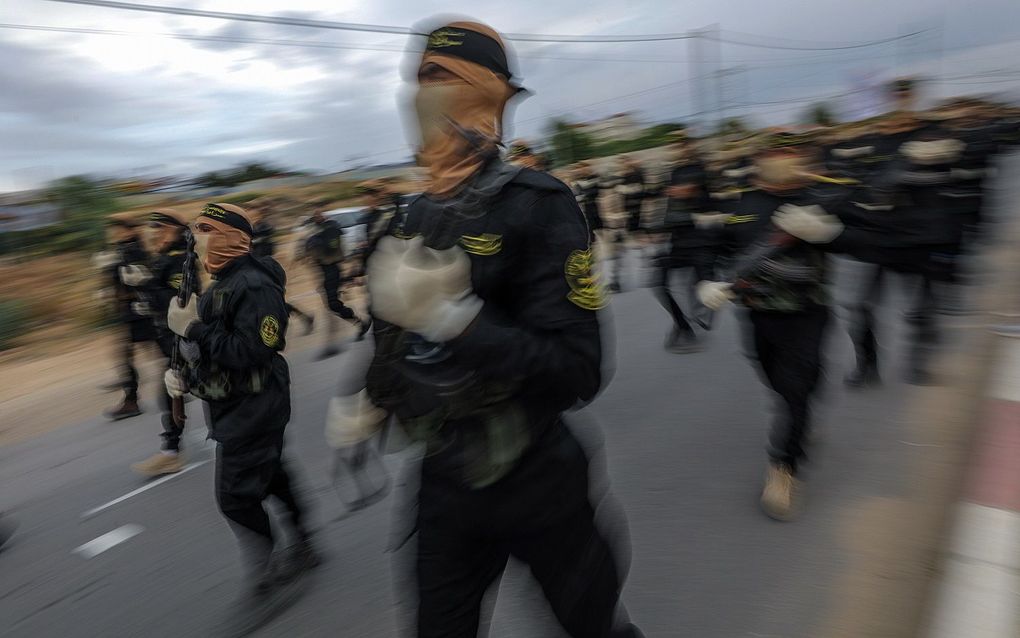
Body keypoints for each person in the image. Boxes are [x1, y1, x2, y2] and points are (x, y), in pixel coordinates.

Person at [349, 20, 642, 637]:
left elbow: (579, 371)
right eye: (418, 78)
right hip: (445, 481)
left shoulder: (540, 204)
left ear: (488, 97)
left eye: (440, 77)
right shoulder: (420, 210)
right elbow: (395, 330)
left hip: (537, 477)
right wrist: (370, 398)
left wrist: (456, 321)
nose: (422, 94)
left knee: (593, 626)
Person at [164, 202, 319, 635]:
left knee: (234, 497)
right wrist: (184, 375)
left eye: (206, 231)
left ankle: (268, 570)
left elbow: (254, 350)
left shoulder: (252, 285)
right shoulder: (222, 282)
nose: (197, 240)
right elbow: (216, 351)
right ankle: (305, 544)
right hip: (235, 402)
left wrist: (193, 329)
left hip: (255, 406)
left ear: (232, 238)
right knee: (271, 475)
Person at [696, 129, 865, 521]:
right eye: (774, 152)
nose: (782, 158)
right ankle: (798, 417)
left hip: (808, 312)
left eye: (790, 151)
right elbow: (709, 244)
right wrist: (707, 279)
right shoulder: (738, 201)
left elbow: (868, 241)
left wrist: (830, 233)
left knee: (796, 390)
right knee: (777, 381)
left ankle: (784, 468)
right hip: (758, 314)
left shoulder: (821, 195)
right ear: (758, 159)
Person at [130, 209, 197, 476]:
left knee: (170, 392)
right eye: (153, 228)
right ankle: (172, 449)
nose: (154, 232)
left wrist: (146, 290)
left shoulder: (181, 259)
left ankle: (171, 453)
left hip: (183, 338)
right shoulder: (164, 257)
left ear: (174, 229)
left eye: (160, 227)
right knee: (178, 391)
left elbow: (181, 300)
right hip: (168, 337)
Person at [653, 129, 724, 352]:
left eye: (683, 144)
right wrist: (658, 230)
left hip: (702, 239)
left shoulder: (702, 169)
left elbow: (691, 191)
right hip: (678, 240)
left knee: (706, 288)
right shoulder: (674, 171)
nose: (680, 148)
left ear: (692, 145)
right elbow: (670, 201)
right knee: (659, 282)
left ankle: (699, 319)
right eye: (676, 145)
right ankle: (683, 325)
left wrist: (682, 192)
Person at [102, 212, 156, 421]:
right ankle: (131, 398)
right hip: (128, 312)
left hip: (139, 311)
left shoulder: (136, 251)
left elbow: (141, 280)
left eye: (119, 228)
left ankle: (132, 401)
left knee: (159, 350)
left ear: (130, 230)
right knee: (131, 354)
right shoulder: (121, 250)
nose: (114, 232)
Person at [302, 202, 367, 358]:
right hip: (323, 271)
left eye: (318, 214)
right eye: (314, 216)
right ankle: (357, 324)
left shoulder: (332, 228)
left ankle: (359, 323)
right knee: (331, 305)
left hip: (333, 269)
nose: (317, 217)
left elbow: (332, 246)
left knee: (333, 304)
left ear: (323, 215)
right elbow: (309, 252)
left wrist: (316, 240)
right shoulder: (316, 231)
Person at [252, 210, 315, 335]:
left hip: (268, 269)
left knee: (272, 302)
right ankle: (305, 317)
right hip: (258, 269)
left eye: (251, 211)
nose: (250, 214)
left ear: (258, 213)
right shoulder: (255, 228)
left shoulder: (264, 227)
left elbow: (264, 243)